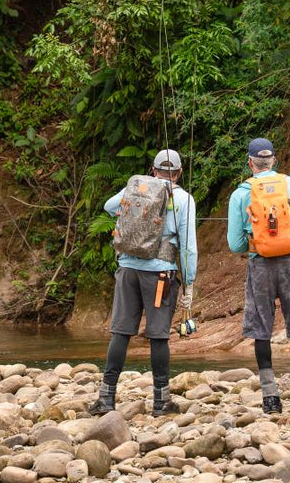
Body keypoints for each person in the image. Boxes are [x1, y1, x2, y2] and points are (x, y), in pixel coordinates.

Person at [88, 148, 198, 417]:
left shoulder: (136, 187)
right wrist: (189, 282)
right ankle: (161, 402)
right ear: (179, 172)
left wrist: (138, 193)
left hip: (127, 268)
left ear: (153, 169)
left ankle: (106, 397)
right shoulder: (183, 198)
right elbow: (187, 247)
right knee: (158, 335)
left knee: (121, 332)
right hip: (160, 274)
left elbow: (110, 207)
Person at [227, 137, 290, 414]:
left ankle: (270, 399)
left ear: (250, 162)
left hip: (260, 266)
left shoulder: (241, 193)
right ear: (274, 160)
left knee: (261, 329)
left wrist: (259, 240)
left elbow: (234, 245)